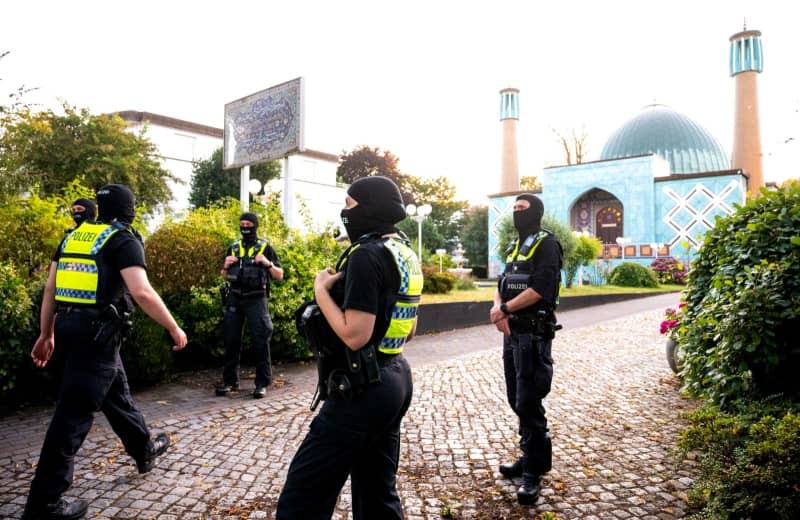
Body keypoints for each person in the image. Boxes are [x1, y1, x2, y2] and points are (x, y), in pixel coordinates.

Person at [22, 184, 188, 520]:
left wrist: (47, 332)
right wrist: (173, 327)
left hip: (74, 331)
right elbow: (141, 292)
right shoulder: (122, 239)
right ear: (130, 209)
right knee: (72, 416)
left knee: (116, 393)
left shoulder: (75, 237)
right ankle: (44, 503)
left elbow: (51, 288)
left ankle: (144, 449)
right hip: (96, 336)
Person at [276, 176, 422, 519]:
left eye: (349, 204)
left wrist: (321, 291)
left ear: (369, 208)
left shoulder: (365, 256)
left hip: (361, 389)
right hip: (396, 379)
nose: (345, 212)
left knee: (302, 498)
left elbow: (355, 335)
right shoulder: (403, 252)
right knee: (377, 495)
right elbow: (410, 330)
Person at [490, 193, 563, 506]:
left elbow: (541, 288)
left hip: (533, 335)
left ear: (536, 212)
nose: (517, 213)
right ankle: (530, 456)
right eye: (515, 209)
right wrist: (498, 308)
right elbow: (501, 282)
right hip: (511, 334)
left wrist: (505, 308)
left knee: (529, 399)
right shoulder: (513, 245)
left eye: (522, 209)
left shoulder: (548, 244)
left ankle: (533, 471)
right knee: (515, 398)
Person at [216, 212, 283, 399]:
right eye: (242, 224)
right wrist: (225, 266)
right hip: (235, 298)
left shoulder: (265, 247)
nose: (245, 227)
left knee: (261, 341)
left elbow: (279, 275)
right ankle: (230, 382)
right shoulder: (234, 247)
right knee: (231, 341)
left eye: (248, 224)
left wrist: (267, 263)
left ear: (255, 225)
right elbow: (224, 275)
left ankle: (262, 384)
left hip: (257, 299)